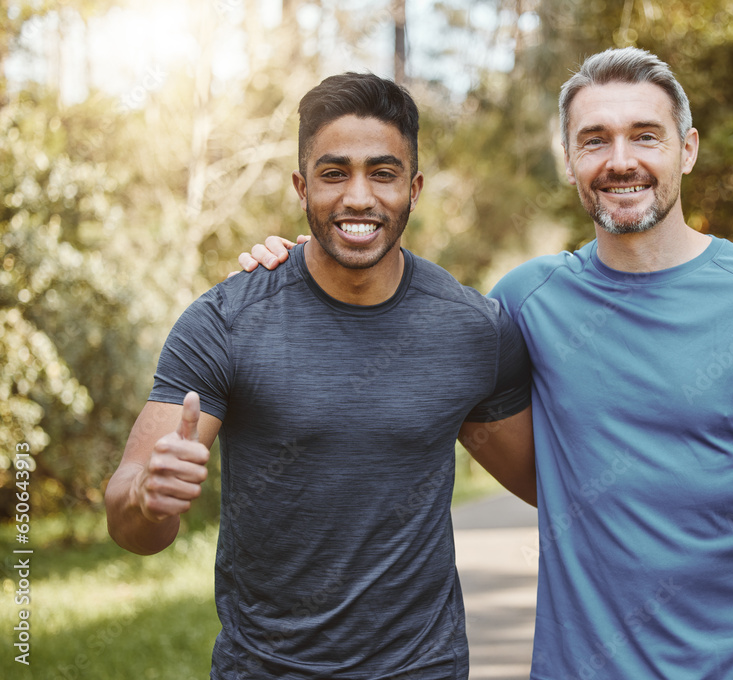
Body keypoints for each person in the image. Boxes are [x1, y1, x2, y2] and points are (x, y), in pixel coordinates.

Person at [239, 48, 733, 679]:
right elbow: (394, 317)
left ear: (686, 149)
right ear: (569, 159)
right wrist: (311, 264)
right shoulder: (525, 302)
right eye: (594, 140)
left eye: (646, 136)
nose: (621, 160)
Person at [105, 72, 536, 680]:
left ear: (413, 188)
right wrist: (149, 499)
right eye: (335, 174)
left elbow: (551, 485)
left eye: (382, 173)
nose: (358, 197)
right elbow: (129, 524)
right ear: (302, 187)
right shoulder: (226, 321)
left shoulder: (472, 329)